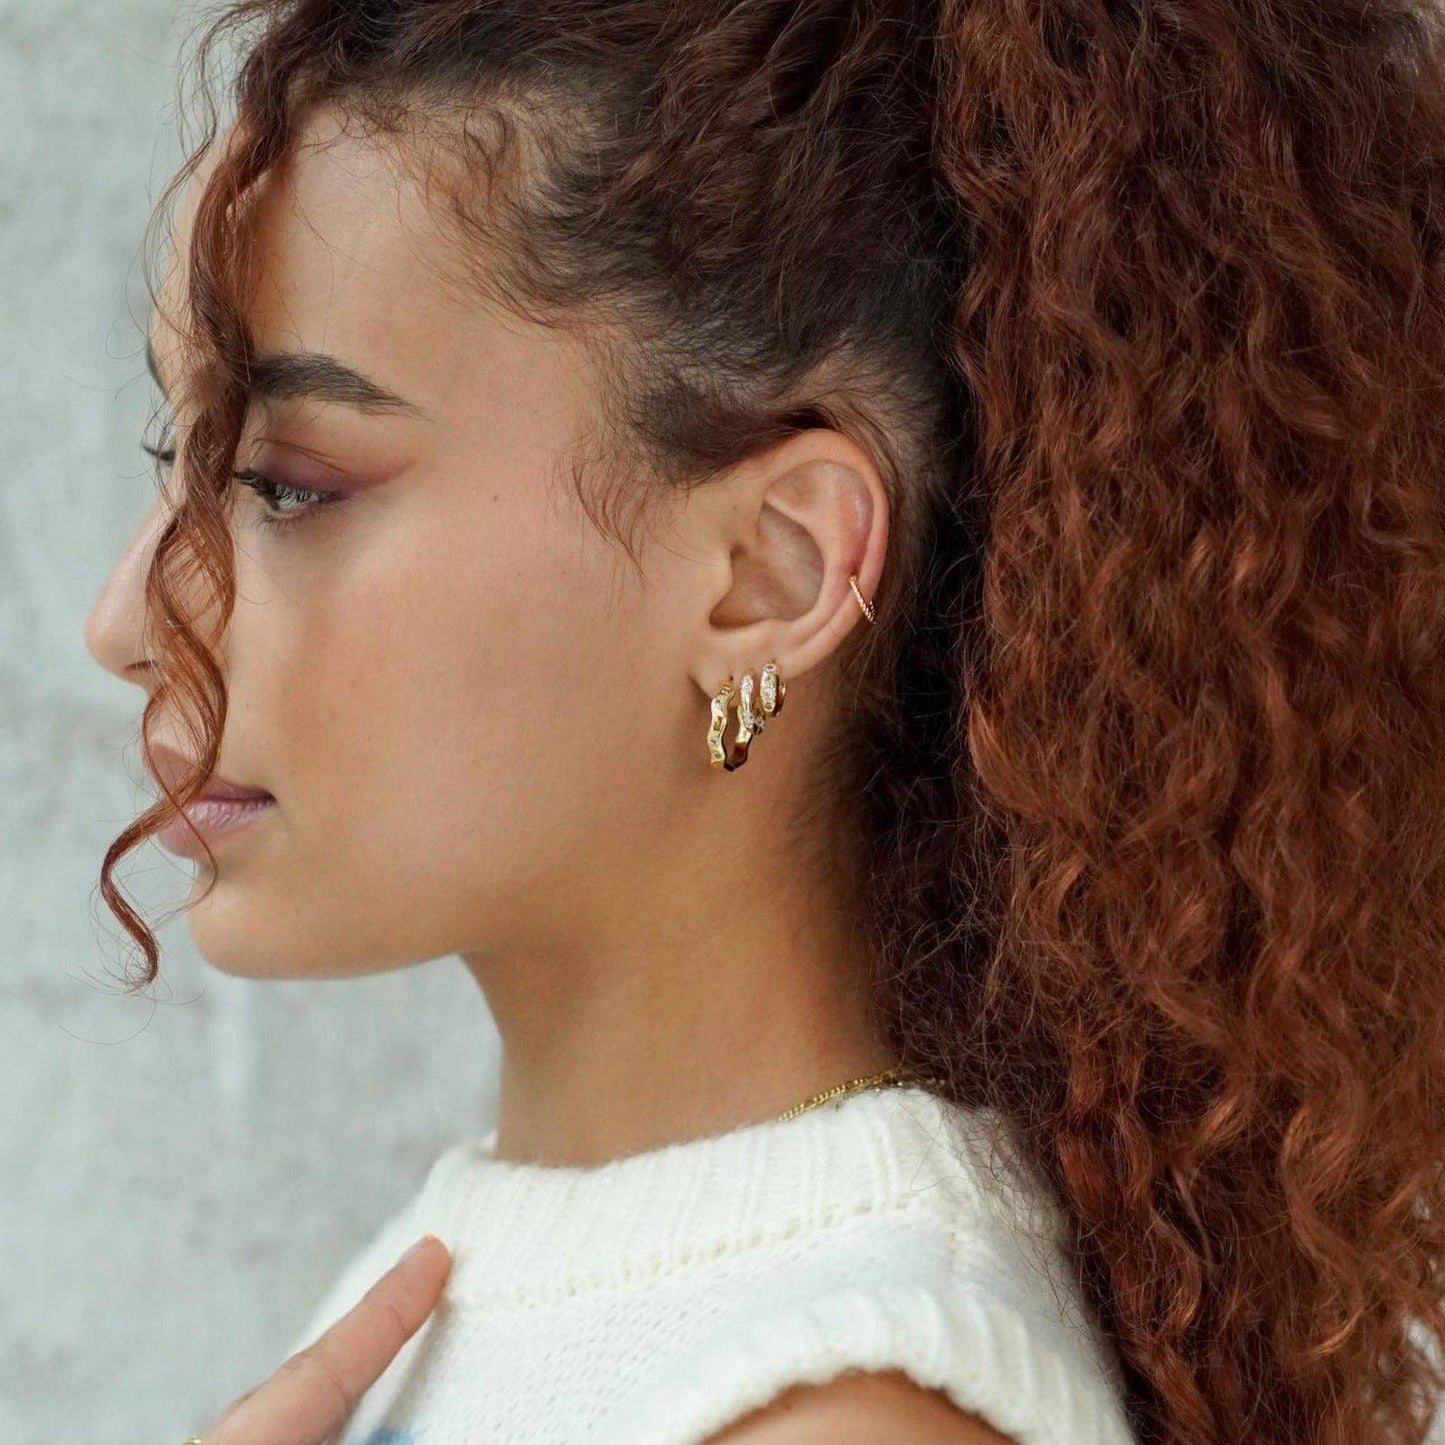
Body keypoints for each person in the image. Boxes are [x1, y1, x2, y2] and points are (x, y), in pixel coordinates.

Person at [82, 1, 1445, 1442]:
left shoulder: (833, 1407)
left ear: (771, 570)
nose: (125, 621)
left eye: (290, 482)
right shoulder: (513, 1274)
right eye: (182, 452)